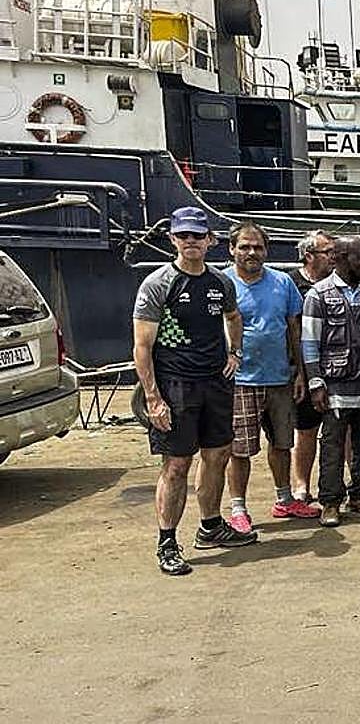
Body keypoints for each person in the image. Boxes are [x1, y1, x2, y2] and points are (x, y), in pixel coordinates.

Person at [132, 207, 253, 577]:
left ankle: (211, 526)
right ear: (172, 239)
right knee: (176, 465)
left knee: (217, 456)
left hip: (215, 383)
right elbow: (141, 346)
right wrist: (153, 397)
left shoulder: (220, 282)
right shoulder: (158, 284)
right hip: (176, 387)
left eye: (197, 235)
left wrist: (235, 352)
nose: (191, 241)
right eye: (183, 235)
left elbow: (233, 317)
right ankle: (167, 542)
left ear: (210, 240)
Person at [223, 222, 316, 533]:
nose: (252, 252)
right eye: (245, 247)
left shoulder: (282, 283)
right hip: (240, 381)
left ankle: (285, 499)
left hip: (279, 378)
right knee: (240, 449)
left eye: (258, 247)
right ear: (231, 249)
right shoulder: (223, 283)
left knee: (281, 444)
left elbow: (294, 329)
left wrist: (300, 373)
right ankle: (238, 508)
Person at [302, 236, 360, 527]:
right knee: (332, 444)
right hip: (337, 383)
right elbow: (310, 342)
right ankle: (330, 501)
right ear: (339, 258)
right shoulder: (319, 295)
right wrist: (316, 383)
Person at [289, 229, 334, 501]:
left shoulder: (339, 282)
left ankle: (353, 480)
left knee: (344, 428)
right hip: (304, 370)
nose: (333, 258)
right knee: (305, 430)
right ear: (309, 256)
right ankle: (301, 485)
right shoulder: (291, 284)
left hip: (336, 367)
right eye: (328, 253)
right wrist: (300, 372)